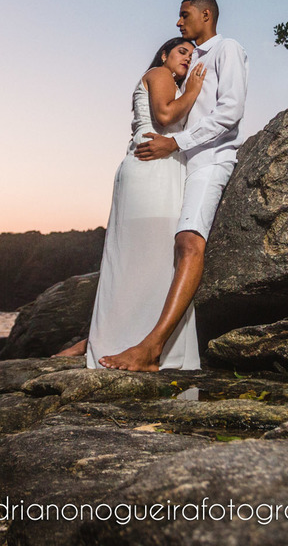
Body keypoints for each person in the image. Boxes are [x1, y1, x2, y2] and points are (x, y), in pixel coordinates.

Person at [100, 0, 248, 371]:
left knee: (188, 243)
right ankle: (121, 337)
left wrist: (176, 143)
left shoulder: (227, 49)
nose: (179, 23)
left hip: (209, 161)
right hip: (180, 167)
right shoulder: (188, 64)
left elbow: (230, 111)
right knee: (159, 252)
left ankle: (152, 348)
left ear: (206, 15)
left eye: (185, 15)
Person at [55, 36, 207, 369]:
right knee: (146, 260)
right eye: (181, 51)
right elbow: (164, 115)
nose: (187, 58)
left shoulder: (173, 84)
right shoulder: (159, 74)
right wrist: (194, 91)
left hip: (163, 172)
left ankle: (120, 341)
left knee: (152, 262)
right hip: (151, 172)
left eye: (192, 55)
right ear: (164, 54)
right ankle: (118, 342)